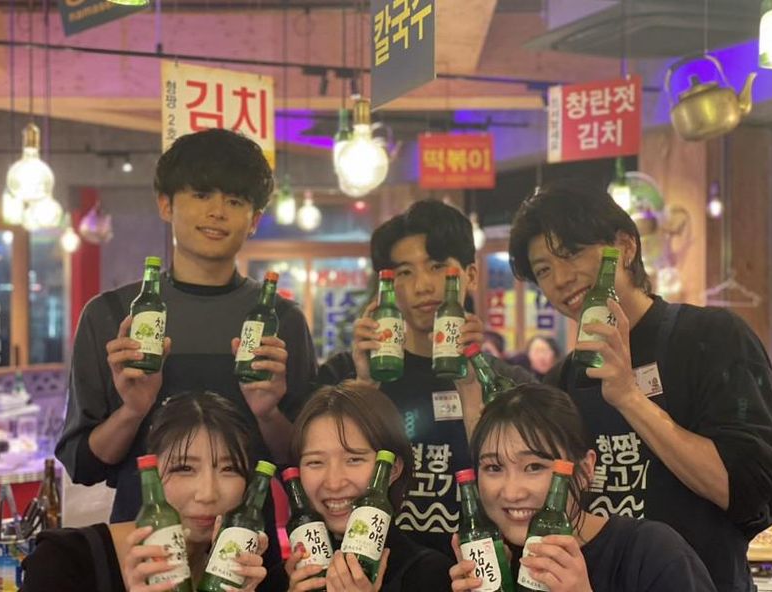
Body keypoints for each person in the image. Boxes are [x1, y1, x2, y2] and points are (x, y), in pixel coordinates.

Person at [55, 129, 318, 574]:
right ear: (166, 204)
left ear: (254, 219)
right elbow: (83, 464)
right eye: (200, 194)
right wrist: (132, 411)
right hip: (142, 550)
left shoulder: (281, 321)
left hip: (245, 553)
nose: (217, 211)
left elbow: (299, 463)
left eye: (235, 201)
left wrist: (269, 413)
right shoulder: (113, 315)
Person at [503, 179, 772, 591]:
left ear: (625, 246)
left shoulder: (712, 338)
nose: (560, 278)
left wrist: (630, 398)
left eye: (572, 253)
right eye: (544, 270)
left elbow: (753, 497)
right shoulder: (563, 378)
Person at [317, 199, 533, 557]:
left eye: (436, 267)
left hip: (478, 570)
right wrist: (366, 386)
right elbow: (324, 478)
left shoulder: (508, 383)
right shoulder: (344, 376)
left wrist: (470, 390)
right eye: (404, 272)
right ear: (387, 285)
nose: (422, 286)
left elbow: (523, 482)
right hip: (375, 572)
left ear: (470, 275)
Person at [449, 384, 717, 592]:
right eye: (493, 468)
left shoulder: (652, 553)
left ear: (586, 469)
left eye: (534, 467)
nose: (511, 493)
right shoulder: (492, 564)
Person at [22, 391, 271, 592]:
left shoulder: (247, 574)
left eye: (229, 469)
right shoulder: (63, 561)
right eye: (184, 468)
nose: (207, 494)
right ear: (150, 473)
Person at [283, 380, 453, 592]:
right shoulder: (279, 579)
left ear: (392, 469)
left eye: (354, 460)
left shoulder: (432, 575)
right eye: (315, 462)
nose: (334, 483)